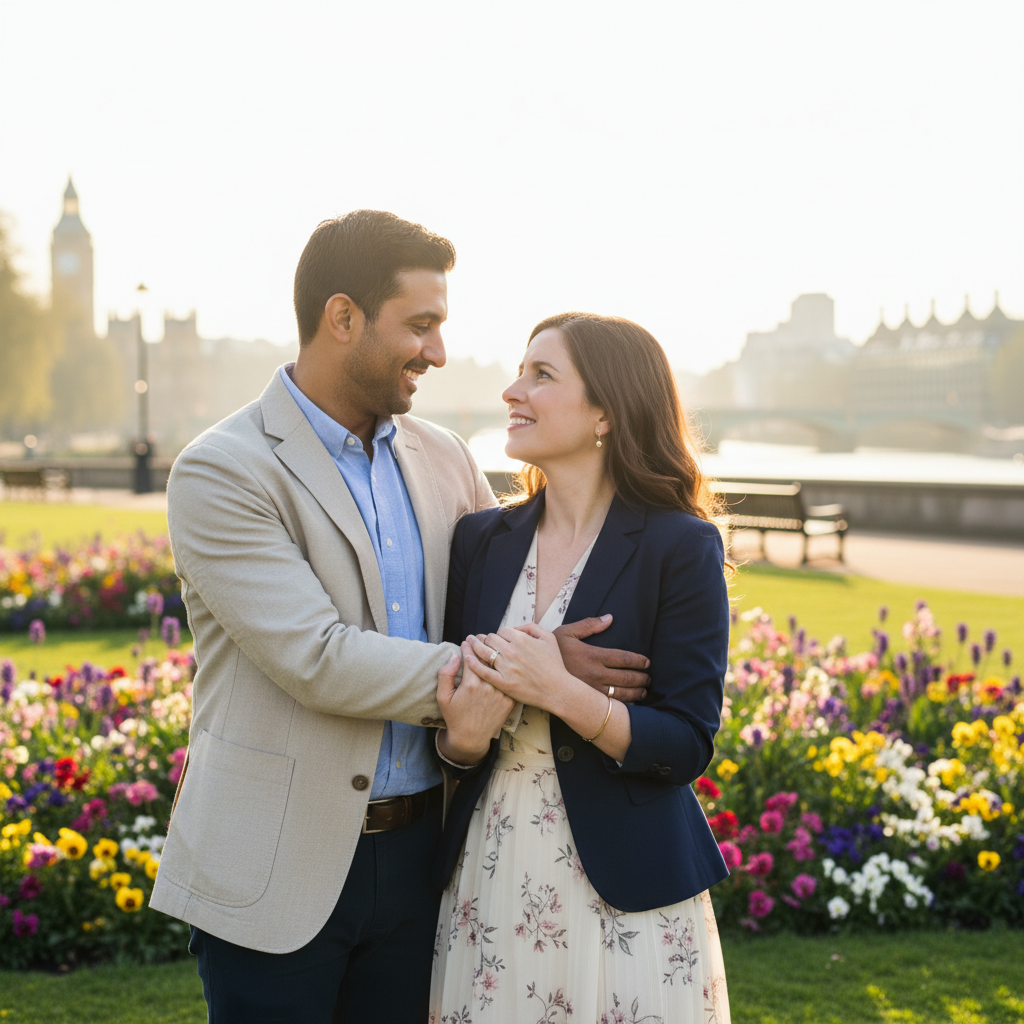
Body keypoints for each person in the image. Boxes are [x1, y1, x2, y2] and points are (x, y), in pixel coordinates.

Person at [149, 212, 650, 1024]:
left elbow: (519, 595)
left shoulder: (446, 457)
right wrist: (528, 668)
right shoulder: (222, 470)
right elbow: (318, 657)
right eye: (420, 325)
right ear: (342, 318)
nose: (439, 353)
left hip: (429, 855)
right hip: (276, 865)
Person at [430, 312, 732, 1023]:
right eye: (519, 371)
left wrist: (564, 693)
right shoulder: (480, 540)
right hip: (489, 871)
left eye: (542, 375)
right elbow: (448, 724)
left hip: (622, 892)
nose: (513, 391)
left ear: (605, 410)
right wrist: (461, 742)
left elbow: (687, 743)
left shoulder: (681, 547)